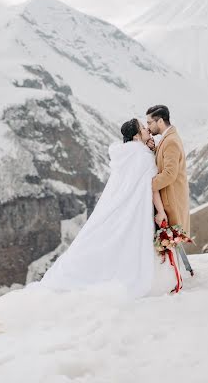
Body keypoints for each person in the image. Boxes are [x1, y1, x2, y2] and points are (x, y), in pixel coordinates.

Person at [35, 118, 175, 298]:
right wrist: (161, 212)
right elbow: (152, 186)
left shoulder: (124, 155)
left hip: (118, 207)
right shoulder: (143, 157)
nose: (147, 129)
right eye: (143, 128)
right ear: (136, 135)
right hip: (135, 210)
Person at [145, 104, 193, 277]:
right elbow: (165, 160)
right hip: (169, 196)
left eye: (150, 122)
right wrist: (154, 150)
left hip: (171, 199)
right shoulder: (168, 138)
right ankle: (175, 273)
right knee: (170, 240)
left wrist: (145, 185)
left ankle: (175, 276)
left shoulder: (171, 141)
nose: (148, 127)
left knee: (171, 239)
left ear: (160, 121)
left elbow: (169, 174)